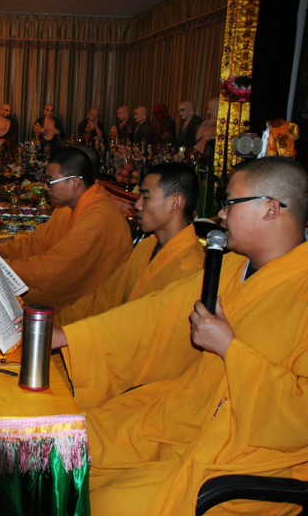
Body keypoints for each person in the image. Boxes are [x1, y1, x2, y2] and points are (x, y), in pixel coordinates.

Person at [52, 155, 308, 515]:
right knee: (66, 441)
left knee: (106, 504)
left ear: (271, 208)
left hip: (245, 458)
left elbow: (299, 417)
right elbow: (156, 313)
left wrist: (229, 348)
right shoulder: (231, 267)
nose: (220, 215)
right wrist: (70, 336)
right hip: (182, 418)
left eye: (230, 203)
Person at [56, 162, 204, 326]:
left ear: (175, 203)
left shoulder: (192, 268)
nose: (138, 205)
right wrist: (56, 324)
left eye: (146, 197)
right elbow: (104, 297)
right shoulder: (146, 246)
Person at [0, 147, 132, 309]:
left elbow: (56, 270)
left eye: (50, 181)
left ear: (75, 182)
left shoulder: (99, 218)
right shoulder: (67, 208)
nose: (45, 187)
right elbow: (34, 244)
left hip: (90, 310)